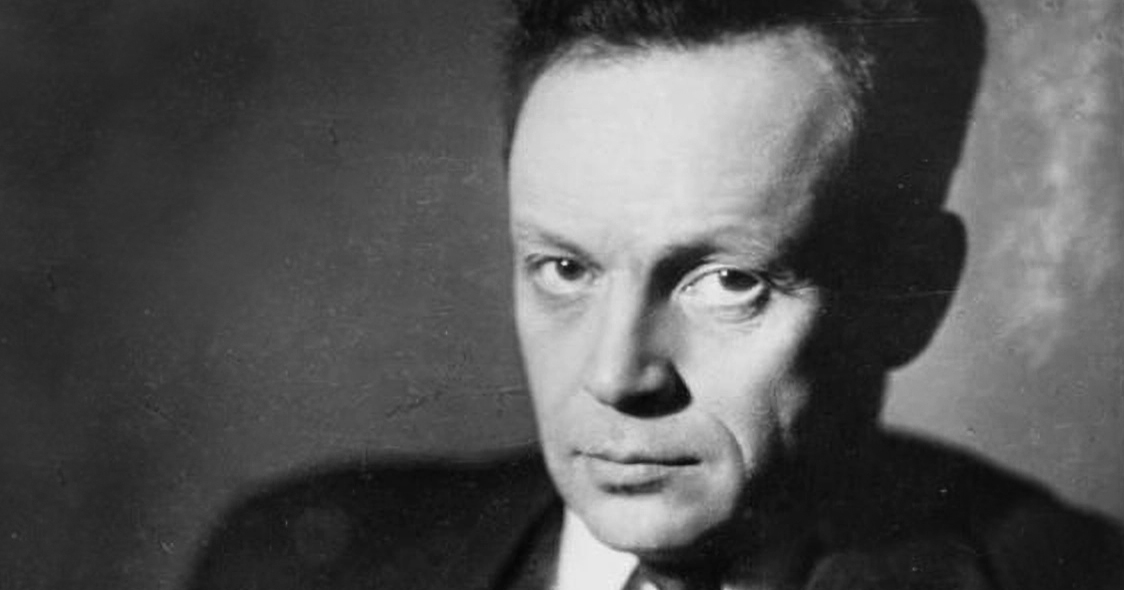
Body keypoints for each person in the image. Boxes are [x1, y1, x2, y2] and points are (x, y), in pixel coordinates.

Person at [188, 1, 1124, 589]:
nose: (614, 375)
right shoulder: (287, 562)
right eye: (565, 269)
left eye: (727, 282)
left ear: (913, 291)